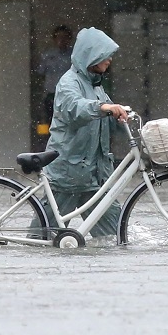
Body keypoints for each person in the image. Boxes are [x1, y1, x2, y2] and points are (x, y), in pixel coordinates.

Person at [47, 26, 131, 239]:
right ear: (91, 55)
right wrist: (103, 108)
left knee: (115, 235)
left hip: (94, 175)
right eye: (105, 55)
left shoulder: (95, 85)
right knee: (42, 235)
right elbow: (76, 108)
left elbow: (107, 112)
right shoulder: (69, 83)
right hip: (70, 173)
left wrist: (122, 114)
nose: (109, 60)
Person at [38, 24, 74, 126]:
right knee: (52, 123)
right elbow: (40, 73)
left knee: (69, 123)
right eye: (59, 37)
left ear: (69, 39)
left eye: (65, 37)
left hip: (69, 95)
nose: (62, 40)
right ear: (54, 39)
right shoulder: (48, 55)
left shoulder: (74, 56)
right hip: (52, 94)